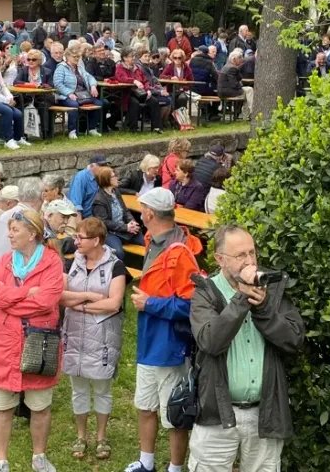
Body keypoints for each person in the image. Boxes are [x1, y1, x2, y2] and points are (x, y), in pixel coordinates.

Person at [187, 225, 305, 472]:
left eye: (252, 252)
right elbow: (210, 341)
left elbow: (294, 340)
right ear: (220, 259)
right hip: (217, 412)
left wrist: (263, 309)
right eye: (240, 255)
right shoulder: (205, 292)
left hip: (264, 412)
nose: (249, 261)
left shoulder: (271, 288)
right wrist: (242, 300)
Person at [123, 188, 203, 472]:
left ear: (149, 214)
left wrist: (150, 304)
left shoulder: (180, 253)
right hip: (149, 343)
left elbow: (193, 305)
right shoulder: (152, 240)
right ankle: (146, 463)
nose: (139, 212)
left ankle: (176, 467)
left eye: (141, 208)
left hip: (169, 347)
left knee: (174, 414)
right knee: (145, 405)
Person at [0, 209, 65, 472]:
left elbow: (47, 301)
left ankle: (39, 457)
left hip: (40, 341)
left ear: (32, 233)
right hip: (6, 343)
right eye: (9, 229)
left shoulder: (52, 262)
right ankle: (1, 461)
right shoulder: (6, 260)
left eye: (14, 230)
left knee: (40, 406)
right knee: (3, 405)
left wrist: (11, 302)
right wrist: (24, 294)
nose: (9, 234)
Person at [60, 218, 127, 461]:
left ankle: (101, 436)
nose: (75, 242)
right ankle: (81, 435)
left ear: (96, 240)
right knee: (78, 389)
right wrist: (90, 296)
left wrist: (80, 304)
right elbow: (61, 297)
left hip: (103, 337)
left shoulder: (116, 266)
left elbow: (114, 303)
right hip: (75, 334)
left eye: (80, 238)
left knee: (101, 388)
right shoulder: (71, 264)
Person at [91, 166, 143, 258]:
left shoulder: (116, 192)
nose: (117, 178)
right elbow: (104, 223)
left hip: (124, 229)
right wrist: (125, 227)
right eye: (114, 176)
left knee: (148, 243)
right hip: (110, 233)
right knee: (119, 253)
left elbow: (125, 211)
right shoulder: (99, 200)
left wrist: (132, 222)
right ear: (106, 180)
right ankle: (120, 271)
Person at [53, 45, 103, 140]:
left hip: (82, 95)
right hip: (65, 96)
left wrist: (93, 86)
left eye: (78, 57)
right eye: (74, 57)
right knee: (74, 105)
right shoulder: (61, 68)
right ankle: (72, 130)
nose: (76, 59)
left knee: (99, 103)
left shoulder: (80, 67)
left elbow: (90, 77)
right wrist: (69, 93)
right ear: (67, 57)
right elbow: (57, 84)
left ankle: (91, 128)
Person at [115, 48, 166, 134]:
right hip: (127, 94)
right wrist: (134, 81)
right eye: (131, 57)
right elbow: (122, 78)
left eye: (133, 56)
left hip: (140, 93)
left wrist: (148, 90)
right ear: (125, 58)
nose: (133, 58)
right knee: (134, 103)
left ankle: (156, 127)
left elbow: (145, 80)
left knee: (154, 101)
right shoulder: (120, 67)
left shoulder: (137, 68)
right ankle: (133, 128)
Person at [67, 154, 108, 218]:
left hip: (100, 217)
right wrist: (81, 226)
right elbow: (75, 206)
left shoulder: (104, 176)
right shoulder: (80, 178)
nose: (104, 168)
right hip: (85, 220)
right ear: (91, 166)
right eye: (101, 165)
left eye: (105, 165)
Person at [218, 50, 251, 120]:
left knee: (248, 91)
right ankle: (250, 113)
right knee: (249, 92)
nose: (241, 61)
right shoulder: (231, 68)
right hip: (227, 91)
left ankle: (246, 114)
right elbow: (234, 84)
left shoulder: (227, 66)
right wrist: (241, 88)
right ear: (234, 59)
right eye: (239, 59)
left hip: (223, 90)